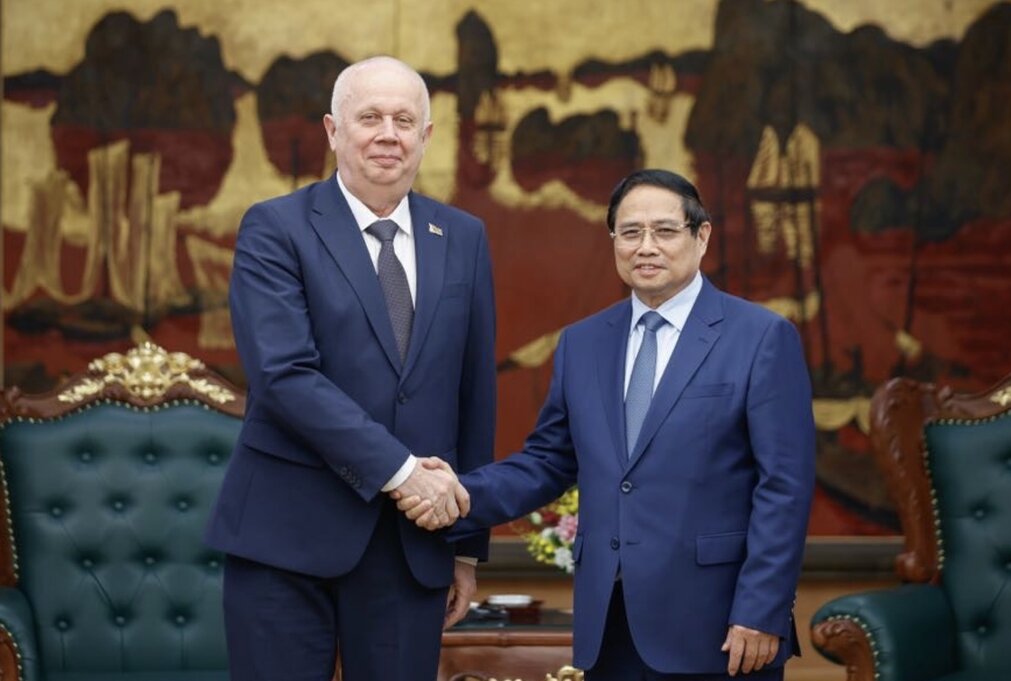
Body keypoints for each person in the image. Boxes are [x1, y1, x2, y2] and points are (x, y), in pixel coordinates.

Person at [399, 169, 815, 680]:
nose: (647, 247)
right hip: (609, 623)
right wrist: (456, 492)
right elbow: (549, 461)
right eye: (630, 232)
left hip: (721, 626)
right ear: (613, 240)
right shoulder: (584, 342)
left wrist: (761, 607)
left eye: (665, 231)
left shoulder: (761, 337)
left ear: (701, 236)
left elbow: (785, 488)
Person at [205, 55, 496, 681]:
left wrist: (467, 547)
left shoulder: (465, 235)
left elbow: (473, 392)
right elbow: (284, 376)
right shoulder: (275, 228)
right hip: (285, 540)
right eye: (369, 117)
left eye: (403, 119)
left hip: (410, 548)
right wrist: (402, 474)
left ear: (426, 136)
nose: (387, 133)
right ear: (334, 131)